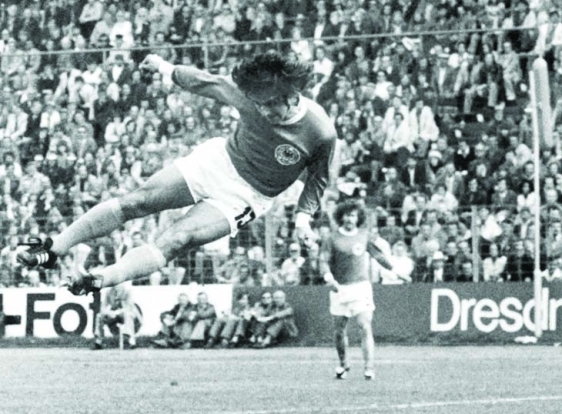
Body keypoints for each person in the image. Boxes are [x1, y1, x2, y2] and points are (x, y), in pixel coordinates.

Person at [18, 51, 337, 295]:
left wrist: (304, 218)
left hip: (246, 197)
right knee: (137, 202)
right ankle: (53, 248)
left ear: (292, 96)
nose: (264, 111)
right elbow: (204, 81)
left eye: (270, 105)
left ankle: (101, 278)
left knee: (178, 239)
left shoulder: (320, 131)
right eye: (259, 104)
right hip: (218, 161)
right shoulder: (248, 95)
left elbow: (318, 177)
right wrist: (162, 66)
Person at [326, 200, 409, 380]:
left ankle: (369, 367)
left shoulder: (364, 236)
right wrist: (328, 277)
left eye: (353, 215)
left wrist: (396, 271)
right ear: (341, 217)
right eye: (347, 215)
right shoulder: (332, 238)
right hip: (339, 288)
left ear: (358, 218)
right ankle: (343, 363)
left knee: (365, 325)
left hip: (361, 287)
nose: (350, 219)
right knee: (339, 330)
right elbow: (323, 260)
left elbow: (378, 255)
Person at [92, 282, 141, 349]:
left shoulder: (127, 292)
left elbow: (129, 307)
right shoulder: (108, 292)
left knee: (128, 315)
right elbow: (103, 307)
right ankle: (98, 341)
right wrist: (109, 312)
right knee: (99, 316)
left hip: (125, 314)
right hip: (113, 314)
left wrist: (117, 312)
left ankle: (131, 341)